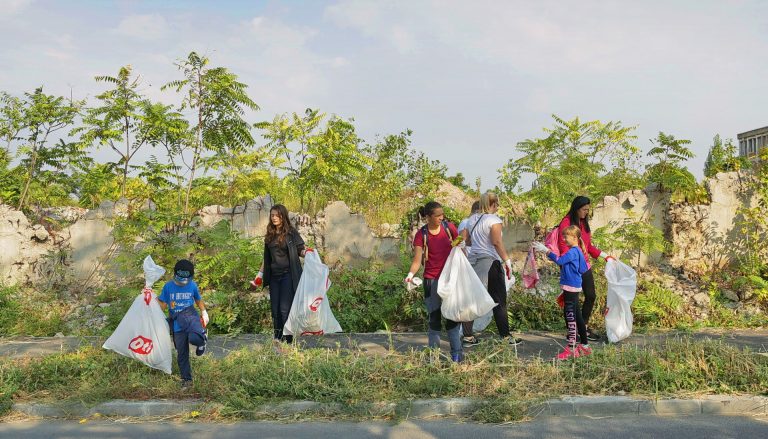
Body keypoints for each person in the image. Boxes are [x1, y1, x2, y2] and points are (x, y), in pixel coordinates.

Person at [459, 192, 522, 347]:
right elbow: (496, 242)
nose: (497, 207)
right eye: (497, 204)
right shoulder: (493, 219)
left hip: (474, 262)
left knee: (472, 299)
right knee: (499, 300)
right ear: (493, 204)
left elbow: (466, 241)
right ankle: (506, 337)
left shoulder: (471, 220)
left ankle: (467, 337)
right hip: (490, 262)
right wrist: (507, 261)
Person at [405, 201, 463, 362]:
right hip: (432, 281)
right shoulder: (421, 235)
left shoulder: (448, 227)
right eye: (437, 216)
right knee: (434, 319)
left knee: (452, 319)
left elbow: (460, 244)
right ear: (428, 217)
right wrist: (410, 275)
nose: (441, 218)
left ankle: (457, 356)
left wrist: (461, 242)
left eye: (442, 215)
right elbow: (417, 261)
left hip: (450, 280)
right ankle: (434, 358)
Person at [251, 204, 312, 345]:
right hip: (274, 277)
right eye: (272, 215)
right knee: (275, 310)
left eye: (277, 215)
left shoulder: (291, 232)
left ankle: (288, 341)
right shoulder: (270, 234)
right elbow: (266, 259)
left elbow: (300, 250)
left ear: (283, 216)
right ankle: (277, 339)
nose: (274, 218)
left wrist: (307, 253)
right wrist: (258, 277)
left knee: (285, 309)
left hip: (288, 276)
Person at [557, 196, 613, 342]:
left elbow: (588, 247)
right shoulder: (566, 223)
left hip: (584, 266)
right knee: (571, 302)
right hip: (571, 268)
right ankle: (572, 332)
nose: (587, 212)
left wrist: (606, 256)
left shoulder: (583, 223)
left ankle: (584, 328)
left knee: (591, 295)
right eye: (584, 209)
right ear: (576, 208)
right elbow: (563, 249)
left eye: (588, 210)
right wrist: (569, 268)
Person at [533, 226, 592, 359]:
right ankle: (585, 346)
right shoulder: (578, 251)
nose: (564, 239)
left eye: (566, 237)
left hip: (570, 287)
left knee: (570, 316)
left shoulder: (572, 252)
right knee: (578, 317)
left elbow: (559, 260)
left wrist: (546, 250)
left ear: (575, 238)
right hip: (575, 287)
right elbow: (583, 268)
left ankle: (571, 348)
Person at [157, 259, 209, 388]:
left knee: (195, 338)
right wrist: (150, 299)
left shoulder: (192, 285)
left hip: (190, 316)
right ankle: (187, 380)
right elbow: (162, 305)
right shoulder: (168, 286)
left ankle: (202, 339)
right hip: (176, 323)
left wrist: (204, 312)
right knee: (182, 354)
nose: (182, 282)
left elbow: (198, 299)